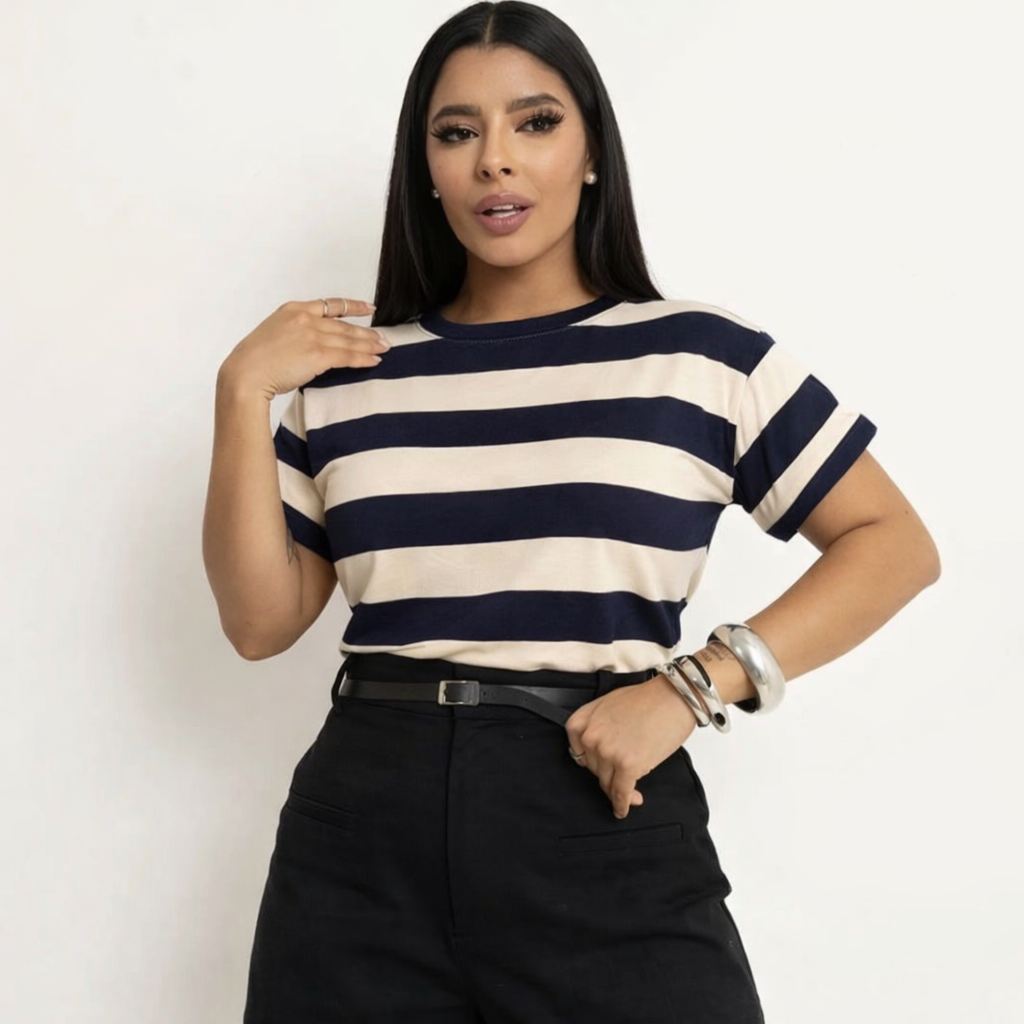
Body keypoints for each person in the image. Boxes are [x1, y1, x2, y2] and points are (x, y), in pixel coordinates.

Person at [202, 3, 940, 1021]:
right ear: (425, 167)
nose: (494, 160)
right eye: (456, 132)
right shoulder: (351, 378)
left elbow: (894, 544)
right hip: (361, 836)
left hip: (597, 807)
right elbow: (258, 622)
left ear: (592, 151)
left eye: (535, 122)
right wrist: (240, 393)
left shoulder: (699, 356)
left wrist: (691, 687)